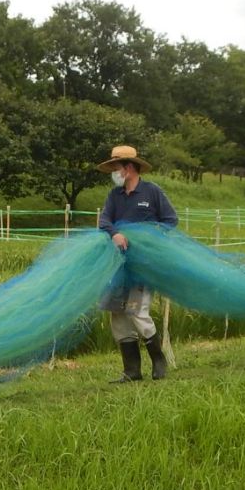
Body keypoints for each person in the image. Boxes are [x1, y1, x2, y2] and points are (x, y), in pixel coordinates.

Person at [96, 145, 178, 382]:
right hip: (118, 265)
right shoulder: (115, 196)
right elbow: (104, 220)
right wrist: (114, 233)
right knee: (117, 313)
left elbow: (170, 220)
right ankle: (132, 371)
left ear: (129, 168)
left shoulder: (152, 192)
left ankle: (158, 360)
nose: (114, 172)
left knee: (137, 310)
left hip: (143, 264)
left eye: (116, 167)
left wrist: (148, 236)